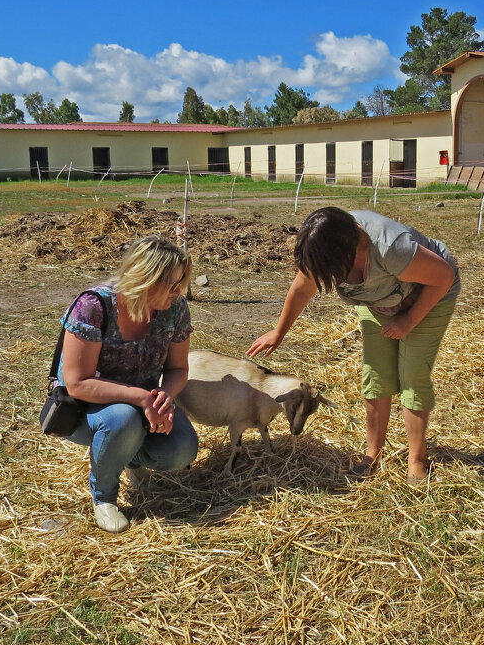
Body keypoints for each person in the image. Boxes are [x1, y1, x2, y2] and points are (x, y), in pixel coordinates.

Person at [248, 207, 460, 483]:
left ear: (350, 251)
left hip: (430, 295)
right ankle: (373, 452)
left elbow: (443, 277)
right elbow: (301, 289)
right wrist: (279, 331)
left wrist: (408, 320)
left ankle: (416, 460)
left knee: (412, 376)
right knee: (376, 376)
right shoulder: (323, 245)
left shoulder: (389, 247)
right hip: (378, 302)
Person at [58, 235, 199, 533]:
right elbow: (77, 383)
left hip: (142, 401)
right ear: (144, 278)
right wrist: (140, 398)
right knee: (122, 421)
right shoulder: (93, 305)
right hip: (89, 407)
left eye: (180, 284)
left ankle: (126, 457)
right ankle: (104, 497)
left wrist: (163, 396)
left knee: (181, 450)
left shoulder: (175, 309)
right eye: (171, 284)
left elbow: (178, 368)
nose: (178, 292)